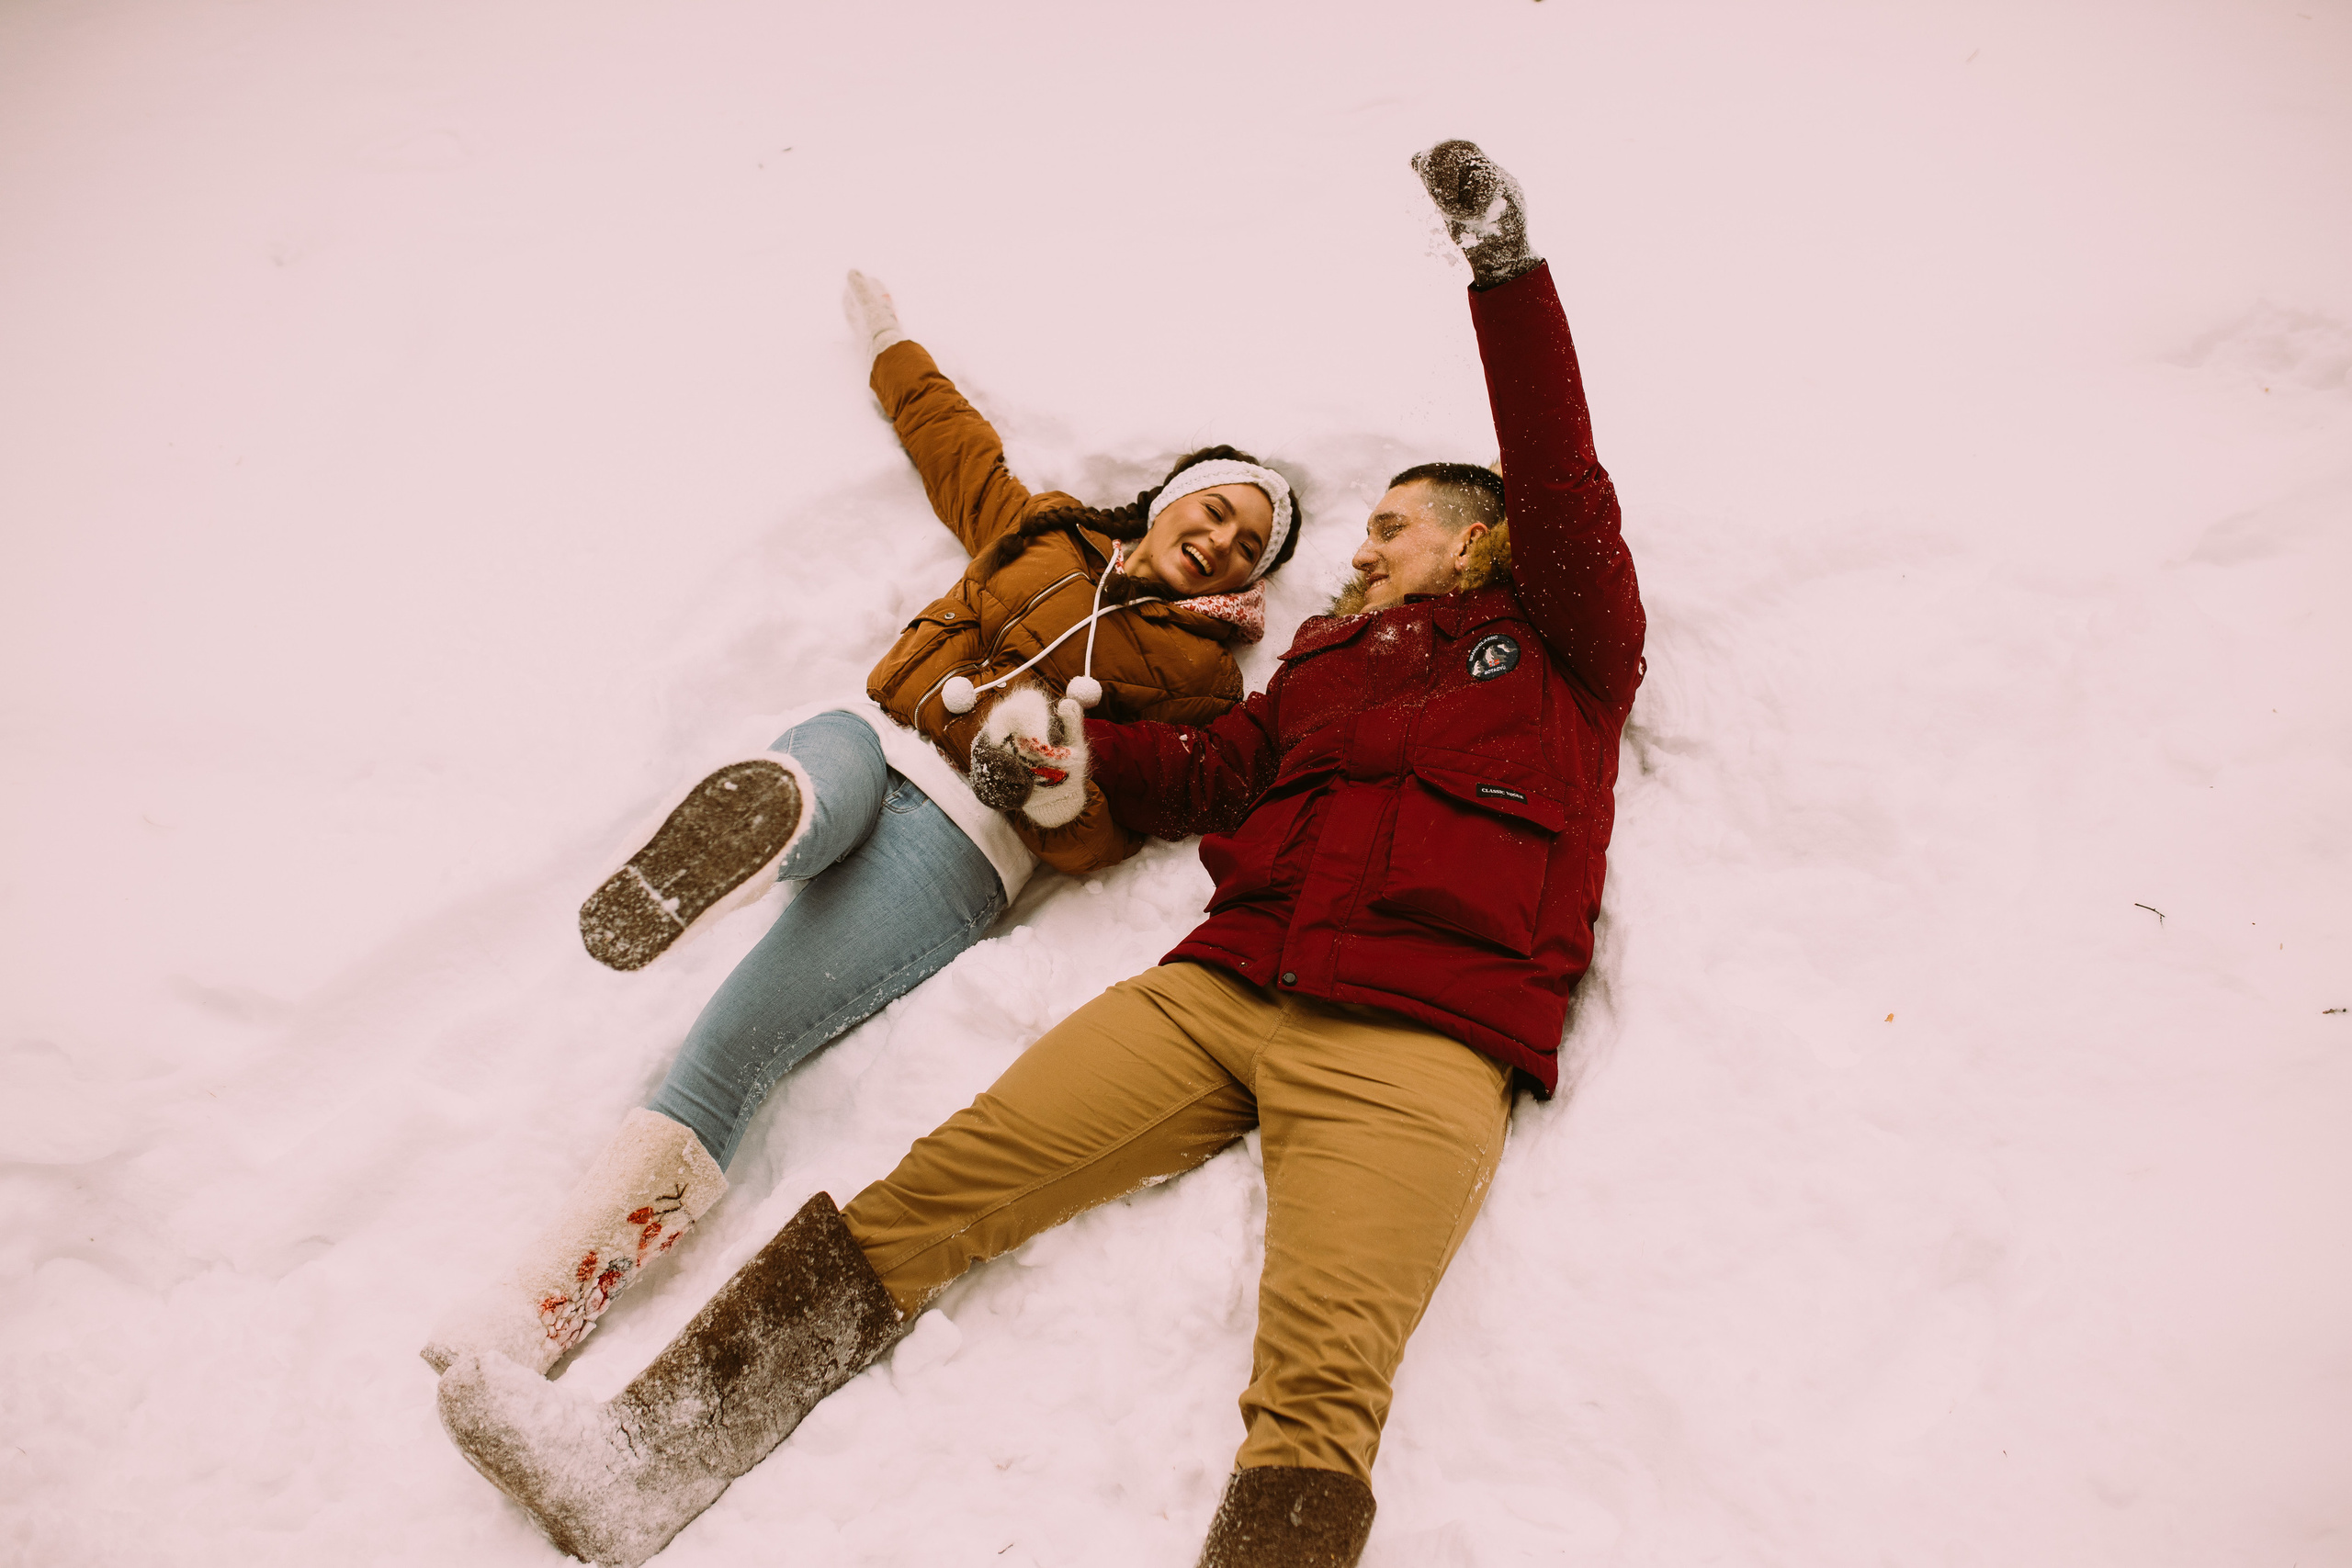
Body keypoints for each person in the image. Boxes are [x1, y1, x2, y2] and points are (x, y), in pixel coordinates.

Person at [435, 139, 1643, 1568]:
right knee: (938, 1186)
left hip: (1422, 1037)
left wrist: (1504, 273)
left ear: (1480, 540)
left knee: (1321, 1394)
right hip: (1223, 989)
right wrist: (1062, 762)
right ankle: (632, 1465)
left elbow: (1560, 464)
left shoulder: (1566, 643)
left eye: (1389, 528)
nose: (1363, 553)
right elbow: (1206, 773)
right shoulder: (1319, 663)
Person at [419, 274, 1307, 1380]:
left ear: (1250, 581)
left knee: (733, 1052)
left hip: (963, 850)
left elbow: (1112, 833)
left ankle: (534, 1312)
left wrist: (1047, 780)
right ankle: (757, 838)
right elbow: (955, 448)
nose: (1222, 542)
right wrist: (892, 345)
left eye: (1248, 547)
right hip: (870, 737)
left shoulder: (1202, 685)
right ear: (1171, 499)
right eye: (1216, 511)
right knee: (810, 787)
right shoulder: (1042, 534)